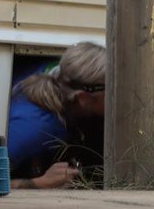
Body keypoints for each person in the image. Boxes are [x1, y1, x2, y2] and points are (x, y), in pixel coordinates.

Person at [8, 42, 106, 189]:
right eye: (112, 91)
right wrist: (40, 183)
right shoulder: (33, 130)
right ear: (83, 98)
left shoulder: (60, 73)